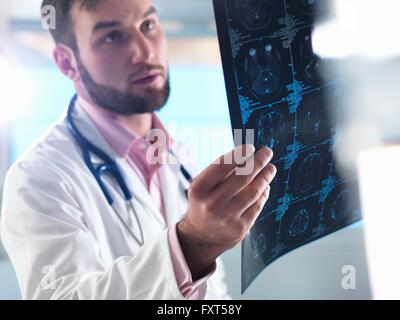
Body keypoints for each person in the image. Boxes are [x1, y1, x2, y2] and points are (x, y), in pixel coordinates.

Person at [0, 0, 277, 300]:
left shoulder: (179, 158)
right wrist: (192, 246)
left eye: (147, 25)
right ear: (67, 63)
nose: (145, 52)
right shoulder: (37, 179)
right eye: (112, 37)